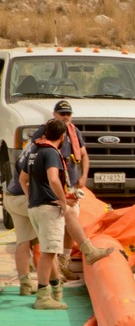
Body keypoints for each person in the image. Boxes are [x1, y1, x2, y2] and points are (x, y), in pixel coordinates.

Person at [19, 119, 113, 309]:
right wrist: (62, 200)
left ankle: (55, 289)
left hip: (35, 207)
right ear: (63, 137)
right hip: (48, 209)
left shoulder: (34, 152)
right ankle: (42, 297)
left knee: (50, 250)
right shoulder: (51, 153)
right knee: (48, 253)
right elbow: (54, 179)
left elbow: (23, 179)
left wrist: (33, 197)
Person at [32, 100, 90, 281]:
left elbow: (85, 155)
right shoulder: (44, 132)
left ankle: (64, 262)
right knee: (52, 229)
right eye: (62, 113)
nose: (66, 117)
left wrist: (83, 176)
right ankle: (51, 270)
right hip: (51, 190)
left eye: (68, 114)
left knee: (70, 226)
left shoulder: (74, 131)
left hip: (70, 184)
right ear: (54, 114)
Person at [3, 139, 38, 296]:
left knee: (23, 241)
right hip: (25, 199)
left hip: (12, 197)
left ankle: (25, 284)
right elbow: (28, 180)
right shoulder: (44, 152)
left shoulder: (29, 149)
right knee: (46, 242)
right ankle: (49, 285)